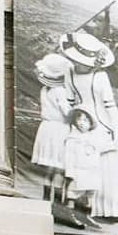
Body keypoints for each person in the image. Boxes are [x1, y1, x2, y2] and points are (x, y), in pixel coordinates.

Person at [62, 32, 118, 223]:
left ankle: (108, 210)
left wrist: (116, 132)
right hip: (80, 122)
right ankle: (81, 209)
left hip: (102, 123)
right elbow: (69, 101)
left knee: (107, 165)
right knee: (82, 166)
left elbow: (110, 106)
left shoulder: (100, 76)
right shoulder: (69, 72)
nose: (80, 63)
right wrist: (72, 123)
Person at [30, 54, 74, 203]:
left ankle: (46, 197)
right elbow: (67, 112)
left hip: (47, 128)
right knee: (59, 166)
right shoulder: (59, 91)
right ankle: (56, 202)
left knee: (49, 166)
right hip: (59, 129)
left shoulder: (45, 89)